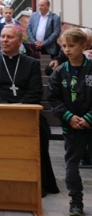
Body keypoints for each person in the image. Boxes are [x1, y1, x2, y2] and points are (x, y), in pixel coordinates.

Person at [0, 24, 59, 197]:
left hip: (26, 111)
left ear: (19, 41)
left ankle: (38, 180)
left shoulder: (31, 63)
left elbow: (36, 90)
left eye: (9, 37)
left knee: (41, 129)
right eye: (3, 37)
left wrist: (20, 107)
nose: (4, 40)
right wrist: (5, 107)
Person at [48, 28, 92, 216]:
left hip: (90, 122)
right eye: (64, 46)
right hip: (71, 125)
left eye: (72, 46)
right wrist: (68, 116)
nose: (67, 50)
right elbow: (53, 98)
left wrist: (89, 118)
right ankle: (76, 201)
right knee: (71, 163)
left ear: (84, 46)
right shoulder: (59, 72)